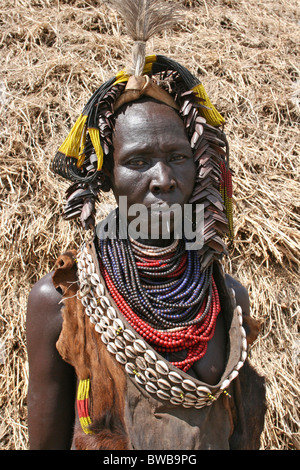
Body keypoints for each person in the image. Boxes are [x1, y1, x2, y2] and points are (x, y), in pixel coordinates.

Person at [26, 2, 266, 451]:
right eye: (137, 162)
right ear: (106, 176)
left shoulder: (227, 297)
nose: (163, 179)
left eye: (178, 157)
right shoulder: (59, 303)